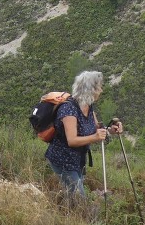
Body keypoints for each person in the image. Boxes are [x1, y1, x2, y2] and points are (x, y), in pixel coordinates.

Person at [44, 70, 122, 205]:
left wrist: (111, 130)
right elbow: (72, 140)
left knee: (73, 195)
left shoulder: (88, 106)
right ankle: (75, 222)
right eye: (98, 87)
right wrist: (95, 137)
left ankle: (65, 213)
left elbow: (96, 128)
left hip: (78, 160)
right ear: (89, 89)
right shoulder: (69, 110)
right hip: (64, 160)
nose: (101, 90)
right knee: (80, 201)